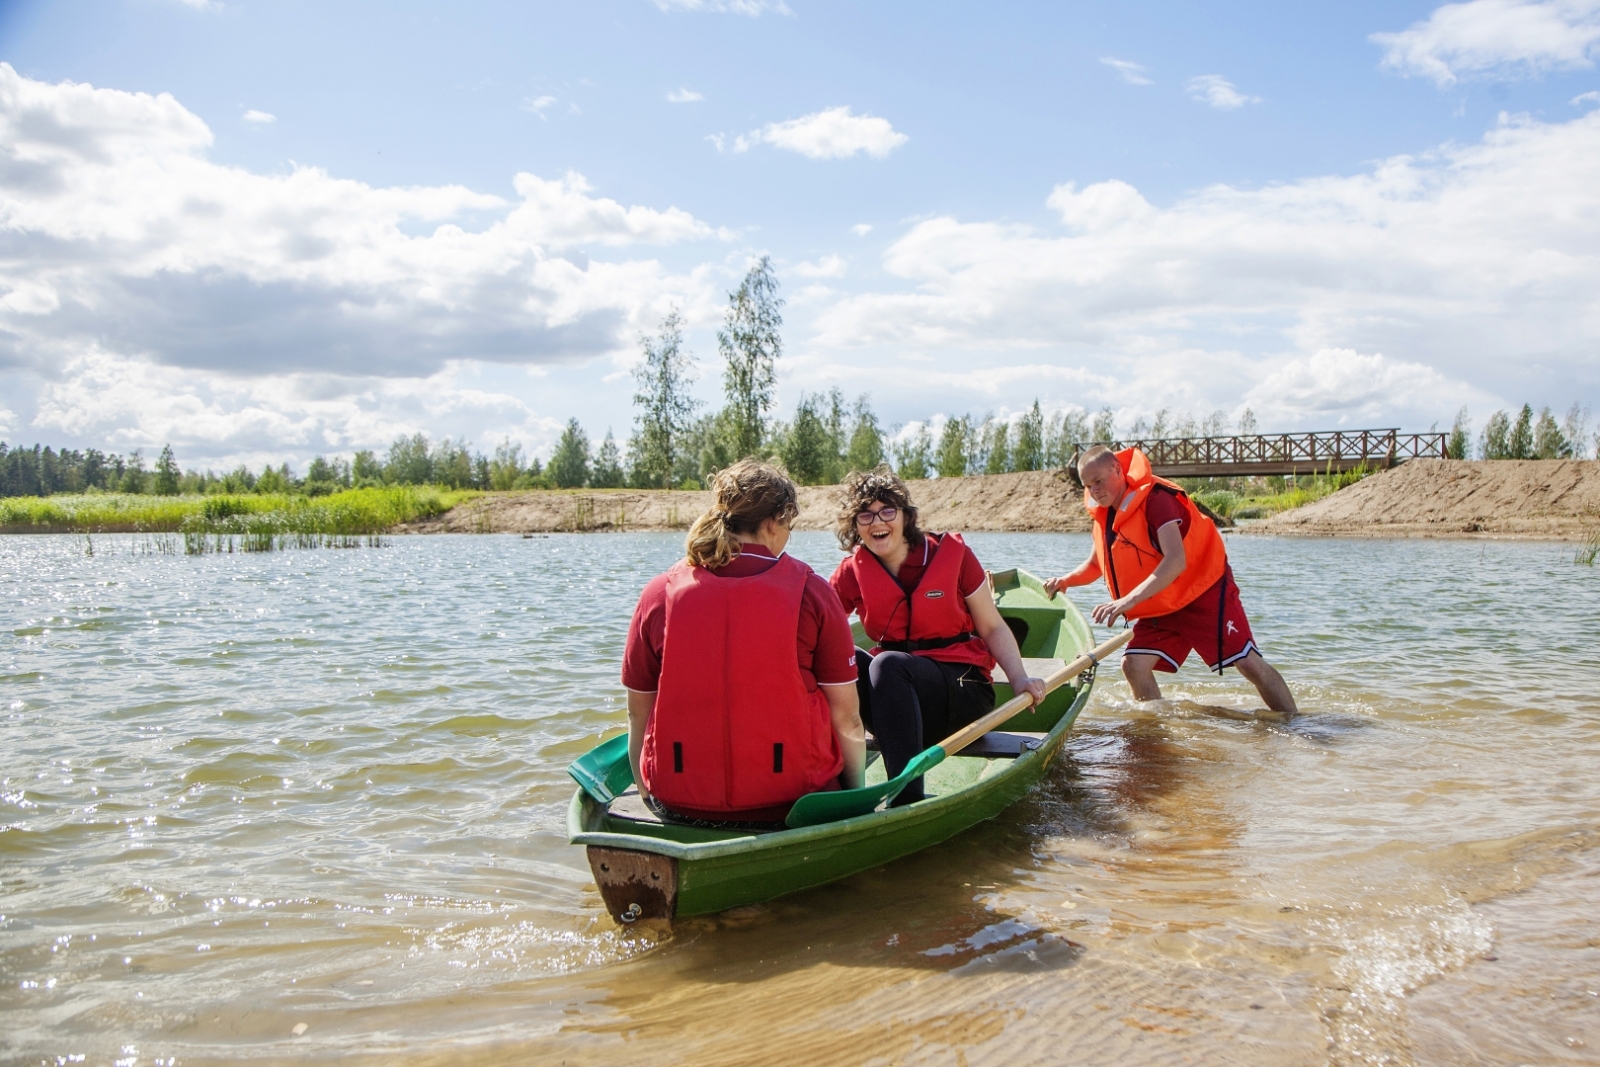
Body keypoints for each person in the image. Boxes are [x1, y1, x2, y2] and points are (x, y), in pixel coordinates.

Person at [621, 460, 866, 825]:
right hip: (792, 801)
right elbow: (847, 719)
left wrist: (646, 788)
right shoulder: (811, 593)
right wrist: (855, 795)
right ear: (774, 521)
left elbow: (638, 711)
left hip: (676, 800)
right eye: (789, 524)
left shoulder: (659, 593)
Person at [829, 469, 1046, 806]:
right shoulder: (850, 572)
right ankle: (839, 788)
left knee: (887, 665)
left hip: (962, 692)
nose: (877, 522)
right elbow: (818, 631)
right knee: (848, 660)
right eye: (865, 515)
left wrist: (1019, 678)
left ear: (905, 517)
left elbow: (992, 627)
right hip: (895, 705)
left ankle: (906, 799)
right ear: (855, 524)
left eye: (887, 511)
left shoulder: (953, 555)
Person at [1043, 445, 1298, 715]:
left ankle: (1297, 724)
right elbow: (1096, 564)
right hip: (1163, 601)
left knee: (1247, 663)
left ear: (1117, 470)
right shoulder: (1105, 515)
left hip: (1202, 592)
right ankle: (1156, 736)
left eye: (1098, 481)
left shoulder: (1157, 500)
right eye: (1088, 485)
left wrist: (1125, 601)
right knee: (1134, 665)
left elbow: (1176, 561)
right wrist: (1066, 580)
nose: (1094, 490)